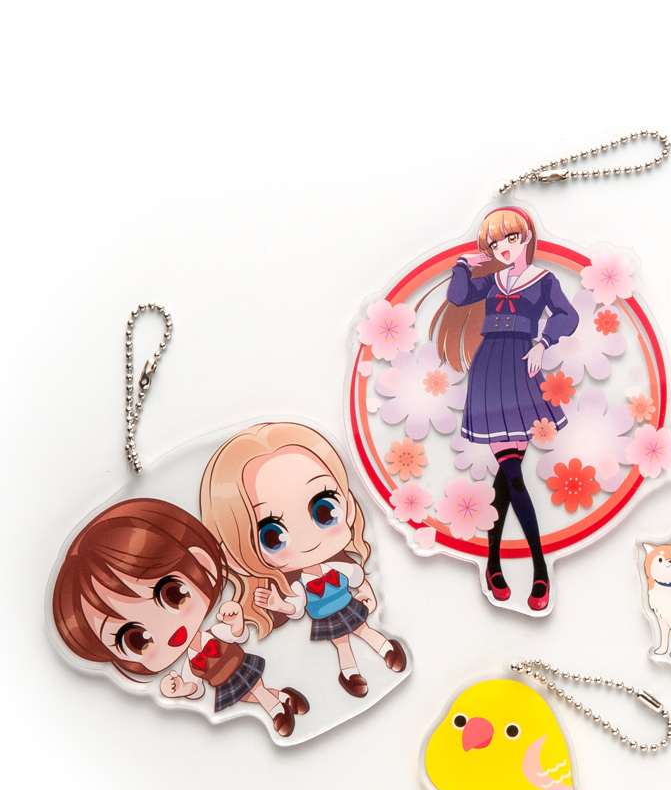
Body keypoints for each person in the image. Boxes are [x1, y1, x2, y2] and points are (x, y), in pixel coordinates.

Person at [52, 498, 307, 736]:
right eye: (136, 640)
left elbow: (238, 635)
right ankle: (283, 698)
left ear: (204, 565)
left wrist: (235, 620)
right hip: (222, 682)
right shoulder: (190, 665)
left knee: (255, 688)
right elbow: (195, 688)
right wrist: (180, 690)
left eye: (173, 594)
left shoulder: (213, 634)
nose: (168, 630)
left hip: (238, 664)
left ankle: (276, 710)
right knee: (246, 694)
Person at [430, 206, 579, 610]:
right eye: (495, 243)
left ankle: (500, 564)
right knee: (512, 473)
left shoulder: (544, 280)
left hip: (522, 365)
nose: (504, 248)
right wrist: (463, 265)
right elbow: (458, 296)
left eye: (511, 238)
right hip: (489, 366)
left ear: (526, 237)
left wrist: (543, 343)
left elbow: (567, 315)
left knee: (509, 474)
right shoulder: (491, 280)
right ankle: (535, 568)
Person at [200, 422, 406, 699]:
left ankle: (387, 649)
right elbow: (295, 608)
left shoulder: (338, 566)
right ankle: (350, 674)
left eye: (325, 509)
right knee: (341, 642)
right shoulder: (297, 585)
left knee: (364, 629)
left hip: (347, 606)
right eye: (272, 536)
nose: (308, 541)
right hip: (326, 616)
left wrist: (365, 591)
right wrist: (278, 604)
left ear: (348, 505)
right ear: (236, 557)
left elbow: (357, 576)